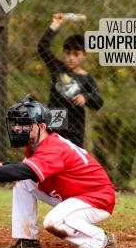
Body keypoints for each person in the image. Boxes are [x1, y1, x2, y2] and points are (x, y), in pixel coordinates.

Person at [0, 97, 117, 248]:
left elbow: (26, 170)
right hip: (74, 197)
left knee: (53, 222)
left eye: (25, 124)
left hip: (96, 199)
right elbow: (24, 171)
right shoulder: (37, 145)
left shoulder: (53, 147)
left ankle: (101, 240)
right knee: (23, 181)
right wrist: (6, 166)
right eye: (16, 123)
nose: (17, 128)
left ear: (41, 127)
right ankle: (27, 241)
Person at [37, 14, 104, 148]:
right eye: (68, 53)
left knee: (72, 158)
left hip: (75, 126)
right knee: (53, 152)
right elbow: (42, 47)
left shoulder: (87, 78)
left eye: (76, 54)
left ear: (84, 56)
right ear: (63, 53)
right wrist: (55, 24)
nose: (71, 58)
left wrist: (86, 97)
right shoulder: (58, 69)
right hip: (56, 120)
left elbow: (98, 101)